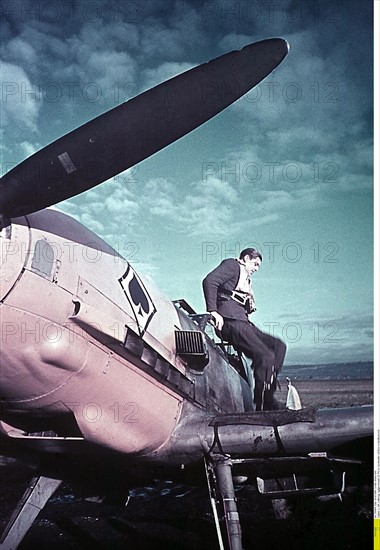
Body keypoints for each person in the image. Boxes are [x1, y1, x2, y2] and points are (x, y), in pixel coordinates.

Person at [202, 247, 286, 411]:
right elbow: (209, 281)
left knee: (279, 346)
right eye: (255, 264)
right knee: (265, 355)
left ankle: (268, 385)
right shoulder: (232, 265)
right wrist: (213, 311)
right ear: (246, 258)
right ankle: (264, 404)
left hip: (242, 320)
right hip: (230, 321)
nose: (256, 269)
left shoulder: (246, 279)